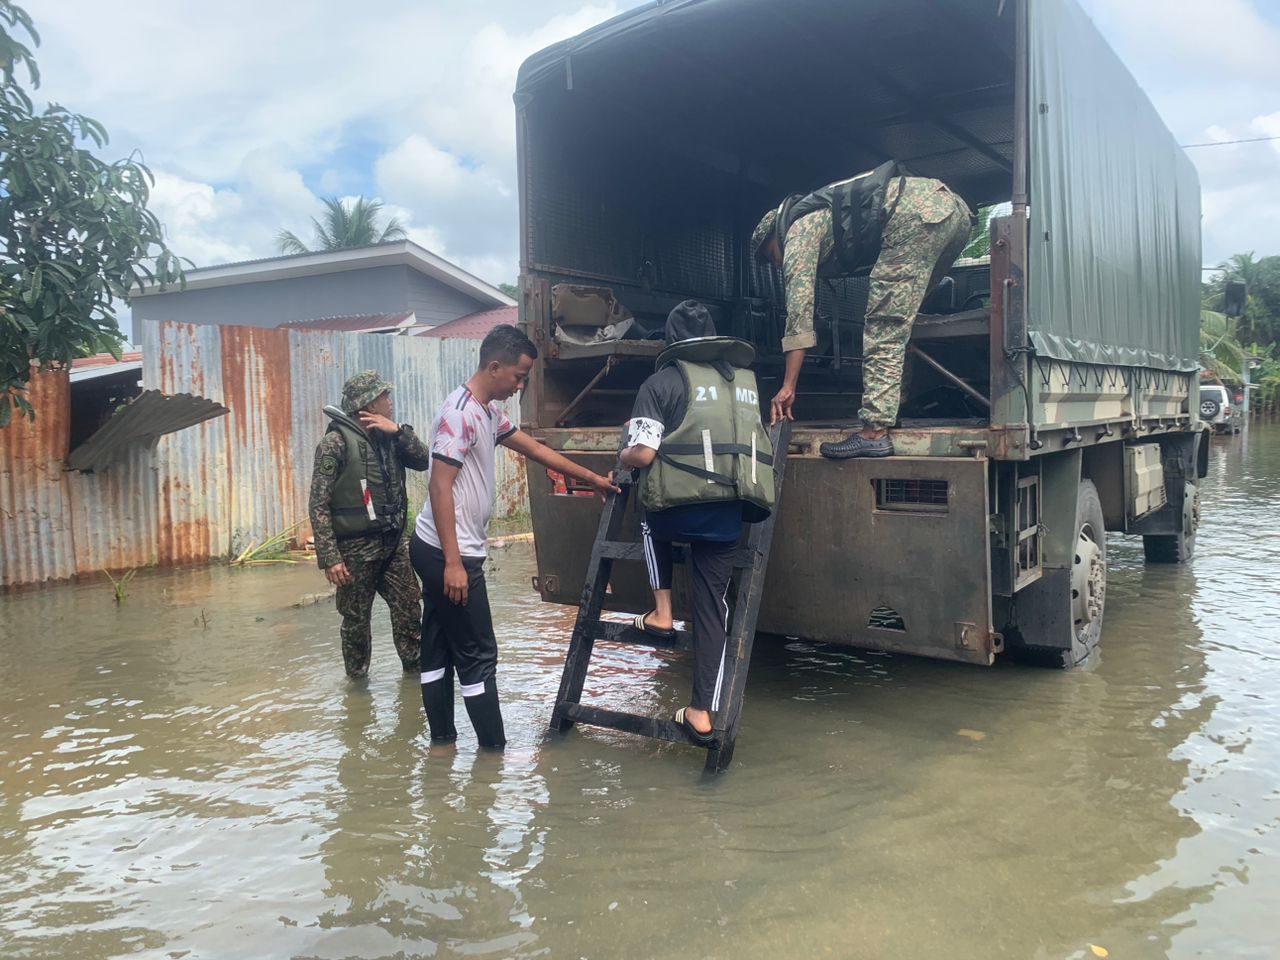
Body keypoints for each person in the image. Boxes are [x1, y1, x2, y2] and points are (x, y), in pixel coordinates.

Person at [411, 324, 619, 749]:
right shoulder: (460, 414)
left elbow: (537, 450)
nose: (521, 385)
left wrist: (592, 479)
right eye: (518, 377)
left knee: (437, 646)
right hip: (449, 553)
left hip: (434, 547)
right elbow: (439, 485)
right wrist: (454, 563)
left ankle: (442, 744)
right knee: (479, 654)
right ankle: (493, 754)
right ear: (494, 367)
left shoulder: (486, 412)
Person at [618, 301, 775, 744]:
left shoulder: (660, 383)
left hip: (673, 516)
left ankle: (662, 612)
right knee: (713, 608)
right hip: (729, 515)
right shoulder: (745, 384)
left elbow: (645, 454)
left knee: (647, 517)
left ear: (670, 342)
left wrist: (623, 452)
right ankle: (703, 712)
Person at [750, 160, 973, 458]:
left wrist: (788, 386)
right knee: (902, 321)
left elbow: (799, 315)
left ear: (775, 234)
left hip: (916, 216)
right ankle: (892, 410)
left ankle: (874, 432)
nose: (776, 263)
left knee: (885, 322)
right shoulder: (817, 216)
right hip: (953, 212)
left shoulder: (797, 232)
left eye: (771, 255)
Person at [309, 370, 431, 679]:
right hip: (354, 553)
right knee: (356, 623)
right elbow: (318, 503)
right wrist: (330, 557)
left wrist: (400, 432)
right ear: (367, 404)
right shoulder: (334, 444)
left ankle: (415, 680)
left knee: (409, 609)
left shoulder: (391, 438)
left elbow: (423, 460)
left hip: (393, 546)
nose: (390, 401)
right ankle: (357, 689)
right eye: (384, 396)